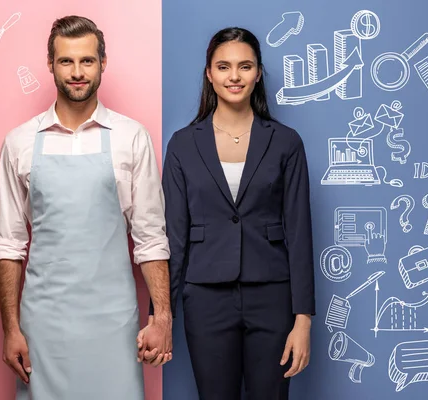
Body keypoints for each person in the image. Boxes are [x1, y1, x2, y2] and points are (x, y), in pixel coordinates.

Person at [0, 15, 173, 399]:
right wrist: (11, 328)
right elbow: (8, 244)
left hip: (114, 323)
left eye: (87, 61)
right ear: (51, 65)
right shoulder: (20, 142)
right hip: (43, 326)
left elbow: (150, 238)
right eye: (66, 61)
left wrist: (162, 318)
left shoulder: (131, 137)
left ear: (102, 63)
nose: (77, 72)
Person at [161, 27, 316, 399]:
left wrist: (303, 320)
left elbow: (299, 231)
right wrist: (161, 314)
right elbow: (174, 235)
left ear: (258, 73)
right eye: (224, 66)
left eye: (245, 66)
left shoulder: (286, 142)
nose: (234, 76)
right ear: (209, 74)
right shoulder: (183, 144)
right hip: (205, 298)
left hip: (273, 297)